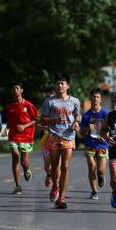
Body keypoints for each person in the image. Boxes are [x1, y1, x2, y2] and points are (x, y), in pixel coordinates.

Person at [41, 73, 81, 209]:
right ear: (55, 85)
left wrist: (76, 122)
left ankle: (62, 197)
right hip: (53, 136)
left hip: (68, 137)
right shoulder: (49, 101)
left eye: (62, 83)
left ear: (68, 86)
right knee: (54, 168)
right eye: (57, 83)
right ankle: (55, 185)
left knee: (65, 167)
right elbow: (43, 119)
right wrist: (55, 120)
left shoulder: (74, 101)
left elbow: (77, 114)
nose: (60, 85)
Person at [3, 82, 38, 195]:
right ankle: (18, 186)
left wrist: (24, 126)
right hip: (13, 135)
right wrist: (5, 129)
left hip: (27, 136)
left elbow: (36, 119)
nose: (15, 90)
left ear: (22, 90)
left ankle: (27, 169)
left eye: (17, 88)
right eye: (13, 89)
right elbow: (9, 122)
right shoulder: (9, 106)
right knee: (15, 157)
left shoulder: (28, 105)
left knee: (24, 162)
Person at [80, 88, 109, 200]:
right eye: (93, 97)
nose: (95, 99)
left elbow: (111, 129)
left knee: (100, 170)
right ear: (90, 98)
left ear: (100, 99)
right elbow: (82, 134)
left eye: (97, 97)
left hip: (102, 144)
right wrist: (88, 128)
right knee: (92, 167)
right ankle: (94, 191)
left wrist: (105, 137)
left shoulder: (106, 114)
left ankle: (101, 176)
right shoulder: (86, 115)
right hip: (90, 143)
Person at [37, 86, 57, 188]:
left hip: (59, 140)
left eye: (51, 96)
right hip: (46, 140)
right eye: (47, 96)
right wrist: (46, 128)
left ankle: (56, 187)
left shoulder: (60, 108)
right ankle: (49, 175)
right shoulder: (41, 110)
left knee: (58, 165)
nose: (49, 98)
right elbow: (37, 124)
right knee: (47, 167)